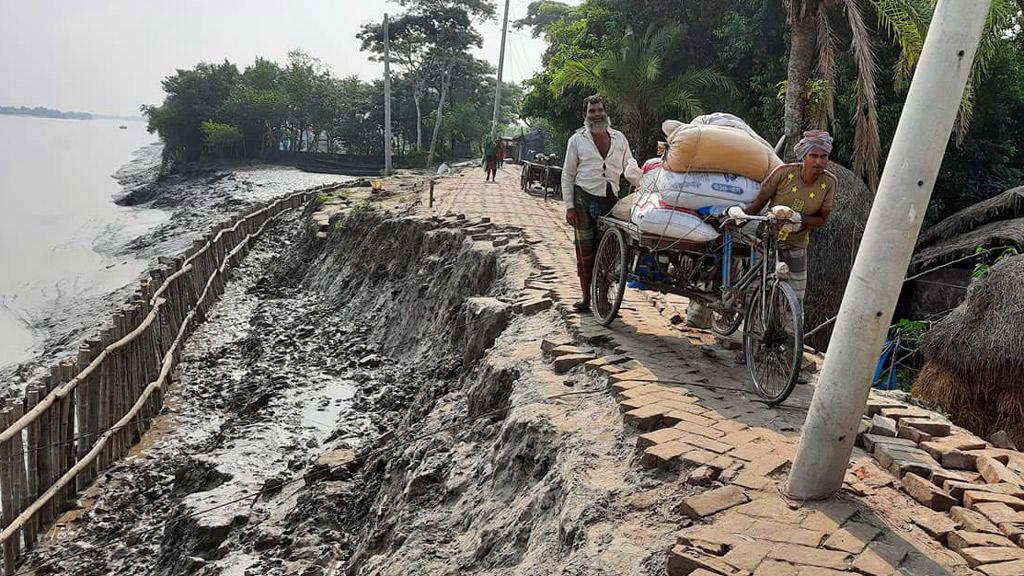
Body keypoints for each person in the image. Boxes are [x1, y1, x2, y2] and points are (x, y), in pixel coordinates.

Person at [561, 95, 643, 312]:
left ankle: (603, 297)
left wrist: (643, 183)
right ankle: (586, 297)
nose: (596, 114)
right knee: (585, 251)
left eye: (599, 110)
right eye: (592, 111)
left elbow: (629, 166)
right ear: (585, 115)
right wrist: (569, 206)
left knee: (607, 251)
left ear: (606, 112)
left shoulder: (619, 139)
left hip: (610, 202)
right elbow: (568, 174)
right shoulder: (577, 140)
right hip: (583, 200)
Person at [738, 130, 838, 302]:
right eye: (813, 155)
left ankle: (791, 328)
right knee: (756, 288)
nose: (819, 161)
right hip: (767, 236)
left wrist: (799, 218)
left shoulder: (829, 183)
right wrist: (738, 217)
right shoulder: (784, 173)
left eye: (824, 156)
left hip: (797, 242)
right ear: (803, 156)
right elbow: (756, 207)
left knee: (796, 297)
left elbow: (822, 219)